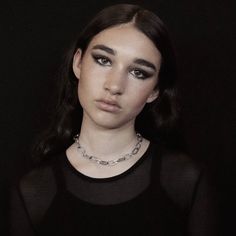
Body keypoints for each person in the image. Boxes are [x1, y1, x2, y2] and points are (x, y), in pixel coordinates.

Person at [8, 4, 218, 236]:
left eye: (138, 72)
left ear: (155, 91)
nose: (115, 85)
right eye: (103, 60)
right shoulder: (35, 192)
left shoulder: (183, 180)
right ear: (78, 63)